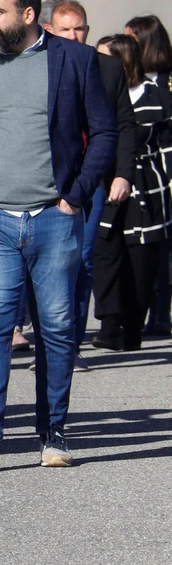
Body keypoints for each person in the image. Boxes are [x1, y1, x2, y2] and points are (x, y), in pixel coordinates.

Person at [0, 0, 117, 471]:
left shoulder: (75, 61)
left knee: (59, 327)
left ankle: (53, 431)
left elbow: (103, 133)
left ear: (28, 14)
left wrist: (77, 194)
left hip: (54, 218)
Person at [42, 0, 135, 363]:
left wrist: (123, 173)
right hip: (49, 178)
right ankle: (51, 335)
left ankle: (69, 343)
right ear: (49, 30)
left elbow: (124, 124)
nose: (74, 35)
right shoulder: (40, 65)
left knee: (81, 258)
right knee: (49, 260)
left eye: (79, 28)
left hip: (93, 178)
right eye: (65, 29)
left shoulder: (108, 67)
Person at [91, 35, 171, 351]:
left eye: (104, 59)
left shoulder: (157, 98)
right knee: (105, 253)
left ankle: (133, 327)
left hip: (148, 189)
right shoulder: (98, 95)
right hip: (109, 184)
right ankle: (109, 324)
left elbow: (166, 148)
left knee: (141, 263)